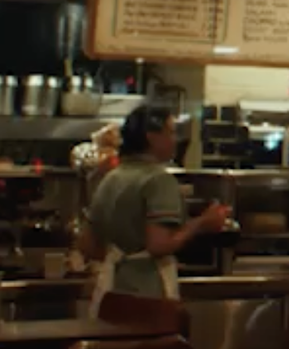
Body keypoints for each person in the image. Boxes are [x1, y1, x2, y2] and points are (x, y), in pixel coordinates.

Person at [83, 105, 231, 302]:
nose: (175, 140)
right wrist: (202, 222)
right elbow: (158, 245)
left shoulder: (110, 178)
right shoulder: (159, 180)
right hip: (147, 293)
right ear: (152, 137)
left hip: (110, 291)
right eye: (171, 132)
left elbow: (88, 246)